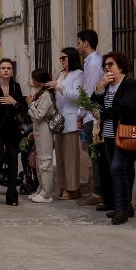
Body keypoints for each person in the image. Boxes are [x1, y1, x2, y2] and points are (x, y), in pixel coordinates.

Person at [92, 52, 136, 225]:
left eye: (110, 64)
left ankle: (121, 209)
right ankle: (125, 206)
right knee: (123, 170)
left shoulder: (129, 83)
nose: (107, 67)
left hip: (126, 133)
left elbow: (128, 106)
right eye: (105, 64)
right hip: (109, 135)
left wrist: (103, 114)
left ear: (121, 66)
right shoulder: (106, 85)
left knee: (117, 168)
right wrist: (99, 87)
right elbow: (92, 105)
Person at [0, 59, 28, 205]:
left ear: (12, 72)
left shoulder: (16, 87)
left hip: (13, 130)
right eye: (3, 68)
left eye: (9, 68)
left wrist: (13, 102)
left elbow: (24, 107)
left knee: (13, 161)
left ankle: (11, 197)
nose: (6, 70)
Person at [48, 48, 84, 200]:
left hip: (70, 120)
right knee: (61, 157)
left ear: (72, 58)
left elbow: (77, 95)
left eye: (64, 58)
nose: (61, 61)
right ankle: (63, 186)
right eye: (60, 58)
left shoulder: (78, 74)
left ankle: (72, 187)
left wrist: (59, 86)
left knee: (70, 157)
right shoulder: (62, 74)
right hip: (59, 121)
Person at [76, 29, 105, 207]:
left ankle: (98, 192)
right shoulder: (89, 62)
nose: (78, 46)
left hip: (92, 116)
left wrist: (80, 113)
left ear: (86, 42)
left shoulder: (94, 63)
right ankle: (97, 190)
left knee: (96, 155)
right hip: (88, 114)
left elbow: (90, 90)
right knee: (93, 155)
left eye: (79, 42)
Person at [27, 68, 56, 203]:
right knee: (40, 162)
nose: (31, 81)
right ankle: (41, 189)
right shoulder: (40, 93)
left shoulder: (46, 95)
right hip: (39, 130)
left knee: (45, 161)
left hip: (44, 130)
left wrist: (30, 104)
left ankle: (46, 193)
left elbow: (39, 115)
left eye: (33, 78)